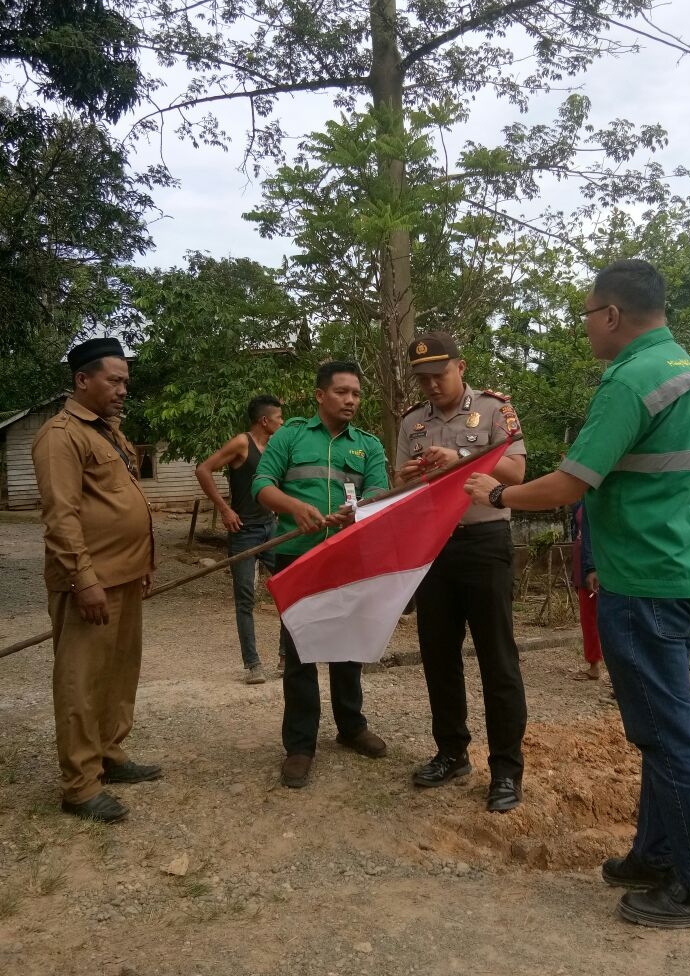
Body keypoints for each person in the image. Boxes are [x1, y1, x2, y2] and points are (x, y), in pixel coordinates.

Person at [466, 259, 690, 928]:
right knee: (660, 730)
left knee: (668, 737)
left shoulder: (630, 381)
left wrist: (494, 493)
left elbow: (569, 483)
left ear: (612, 315)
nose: (586, 326)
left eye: (587, 314)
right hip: (683, 575)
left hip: (641, 587)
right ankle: (655, 854)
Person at [396, 331, 528, 813]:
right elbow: (401, 480)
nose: (430, 385)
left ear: (461, 366)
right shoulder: (412, 423)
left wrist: (462, 459)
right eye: (422, 378)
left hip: (484, 542)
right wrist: (411, 476)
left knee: (497, 658)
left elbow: (516, 472)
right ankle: (451, 752)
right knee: (438, 654)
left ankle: (507, 771)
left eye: (439, 374)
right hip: (434, 547)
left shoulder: (495, 410)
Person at [31, 338, 160, 824]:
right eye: (115, 380)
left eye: (126, 381)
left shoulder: (108, 431)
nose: (123, 389)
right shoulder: (59, 436)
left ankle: (109, 754)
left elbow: (121, 501)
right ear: (83, 380)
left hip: (124, 575)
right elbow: (60, 517)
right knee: (81, 683)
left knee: (119, 672)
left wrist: (144, 560)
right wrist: (83, 581)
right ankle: (80, 786)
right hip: (91, 583)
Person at [251, 361, 389, 788]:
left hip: (348, 558)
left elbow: (381, 493)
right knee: (300, 652)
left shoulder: (368, 445)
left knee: (349, 647)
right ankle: (299, 745)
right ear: (319, 395)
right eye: (342, 392)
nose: (351, 400)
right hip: (298, 556)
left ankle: (351, 727)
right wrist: (295, 509)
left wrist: (360, 510)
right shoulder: (289, 435)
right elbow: (261, 484)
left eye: (356, 394)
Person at [195, 395, 284, 683]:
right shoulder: (241, 443)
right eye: (279, 418)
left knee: (288, 589)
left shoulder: (275, 447)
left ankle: (286, 657)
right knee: (245, 599)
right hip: (244, 531)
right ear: (264, 421)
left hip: (272, 528)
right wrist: (224, 508)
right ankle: (253, 665)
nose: (282, 423)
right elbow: (203, 469)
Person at [570, 500, 603, 681]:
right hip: (582, 565)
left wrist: (592, 566)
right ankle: (594, 664)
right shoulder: (579, 503)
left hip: (602, 565)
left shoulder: (603, 497)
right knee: (588, 617)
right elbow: (578, 535)